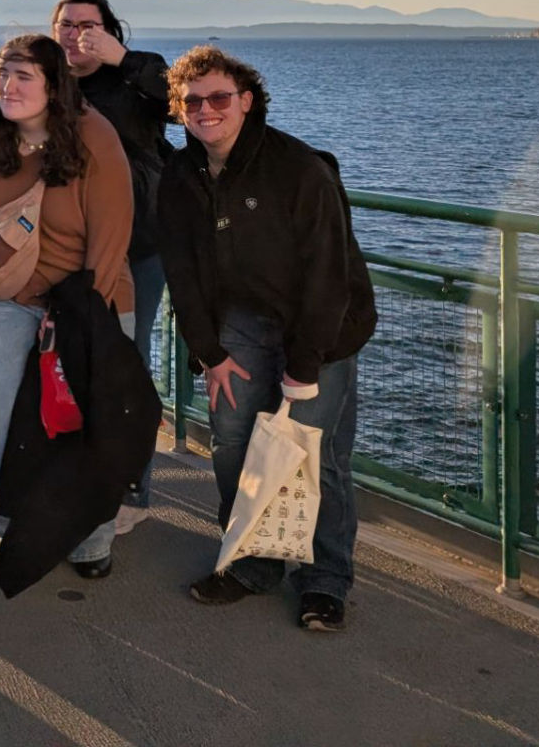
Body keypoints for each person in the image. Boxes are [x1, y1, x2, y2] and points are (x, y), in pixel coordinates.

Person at [157, 45, 376, 632]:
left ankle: (325, 581)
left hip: (322, 325)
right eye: (193, 100)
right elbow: (181, 269)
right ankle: (252, 563)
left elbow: (329, 276)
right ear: (180, 109)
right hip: (242, 322)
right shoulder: (182, 174)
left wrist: (304, 366)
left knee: (314, 453)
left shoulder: (298, 169)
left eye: (220, 97)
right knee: (230, 440)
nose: (207, 110)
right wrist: (209, 353)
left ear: (246, 101)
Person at [0, 34, 134, 578]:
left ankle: (90, 537)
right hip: (6, 293)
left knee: (89, 420)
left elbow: (112, 230)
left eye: (25, 75)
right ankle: (14, 526)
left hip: (89, 291)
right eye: (4, 73)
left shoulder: (93, 135)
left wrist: (84, 312)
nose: (9, 85)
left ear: (55, 85)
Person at [52, 0, 173, 535]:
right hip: (65, 248)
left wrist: (120, 58)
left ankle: (131, 489)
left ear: (110, 30)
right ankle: (71, 481)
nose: (76, 34)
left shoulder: (134, 78)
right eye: (66, 24)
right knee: (66, 367)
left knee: (126, 366)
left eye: (88, 25)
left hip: (136, 247)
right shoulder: (48, 84)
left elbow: (175, 98)